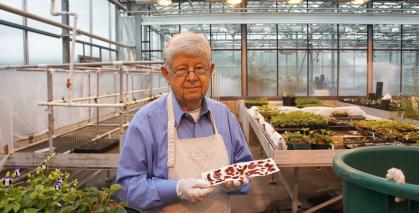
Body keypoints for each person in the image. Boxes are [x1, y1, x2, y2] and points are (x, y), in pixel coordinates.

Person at [116, 32, 253, 212]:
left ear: (210, 71)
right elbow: (126, 188)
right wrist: (177, 189)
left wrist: (237, 181)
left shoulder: (223, 115)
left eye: (200, 68)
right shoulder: (147, 121)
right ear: (166, 74)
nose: (192, 77)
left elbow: (246, 169)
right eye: (182, 69)